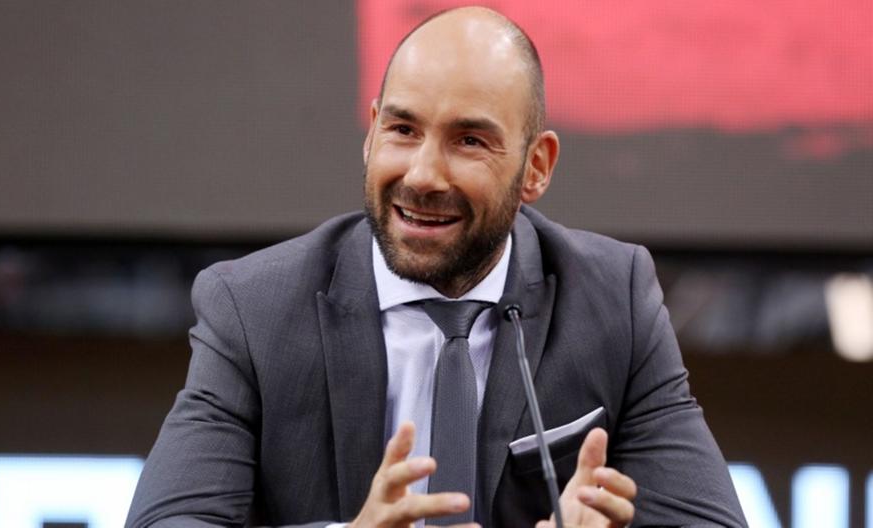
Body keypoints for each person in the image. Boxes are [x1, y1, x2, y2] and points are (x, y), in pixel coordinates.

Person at [127, 7, 746, 528]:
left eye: (469, 140)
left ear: (536, 167)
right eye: (403, 129)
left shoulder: (614, 299)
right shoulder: (253, 308)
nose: (423, 175)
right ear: (371, 134)